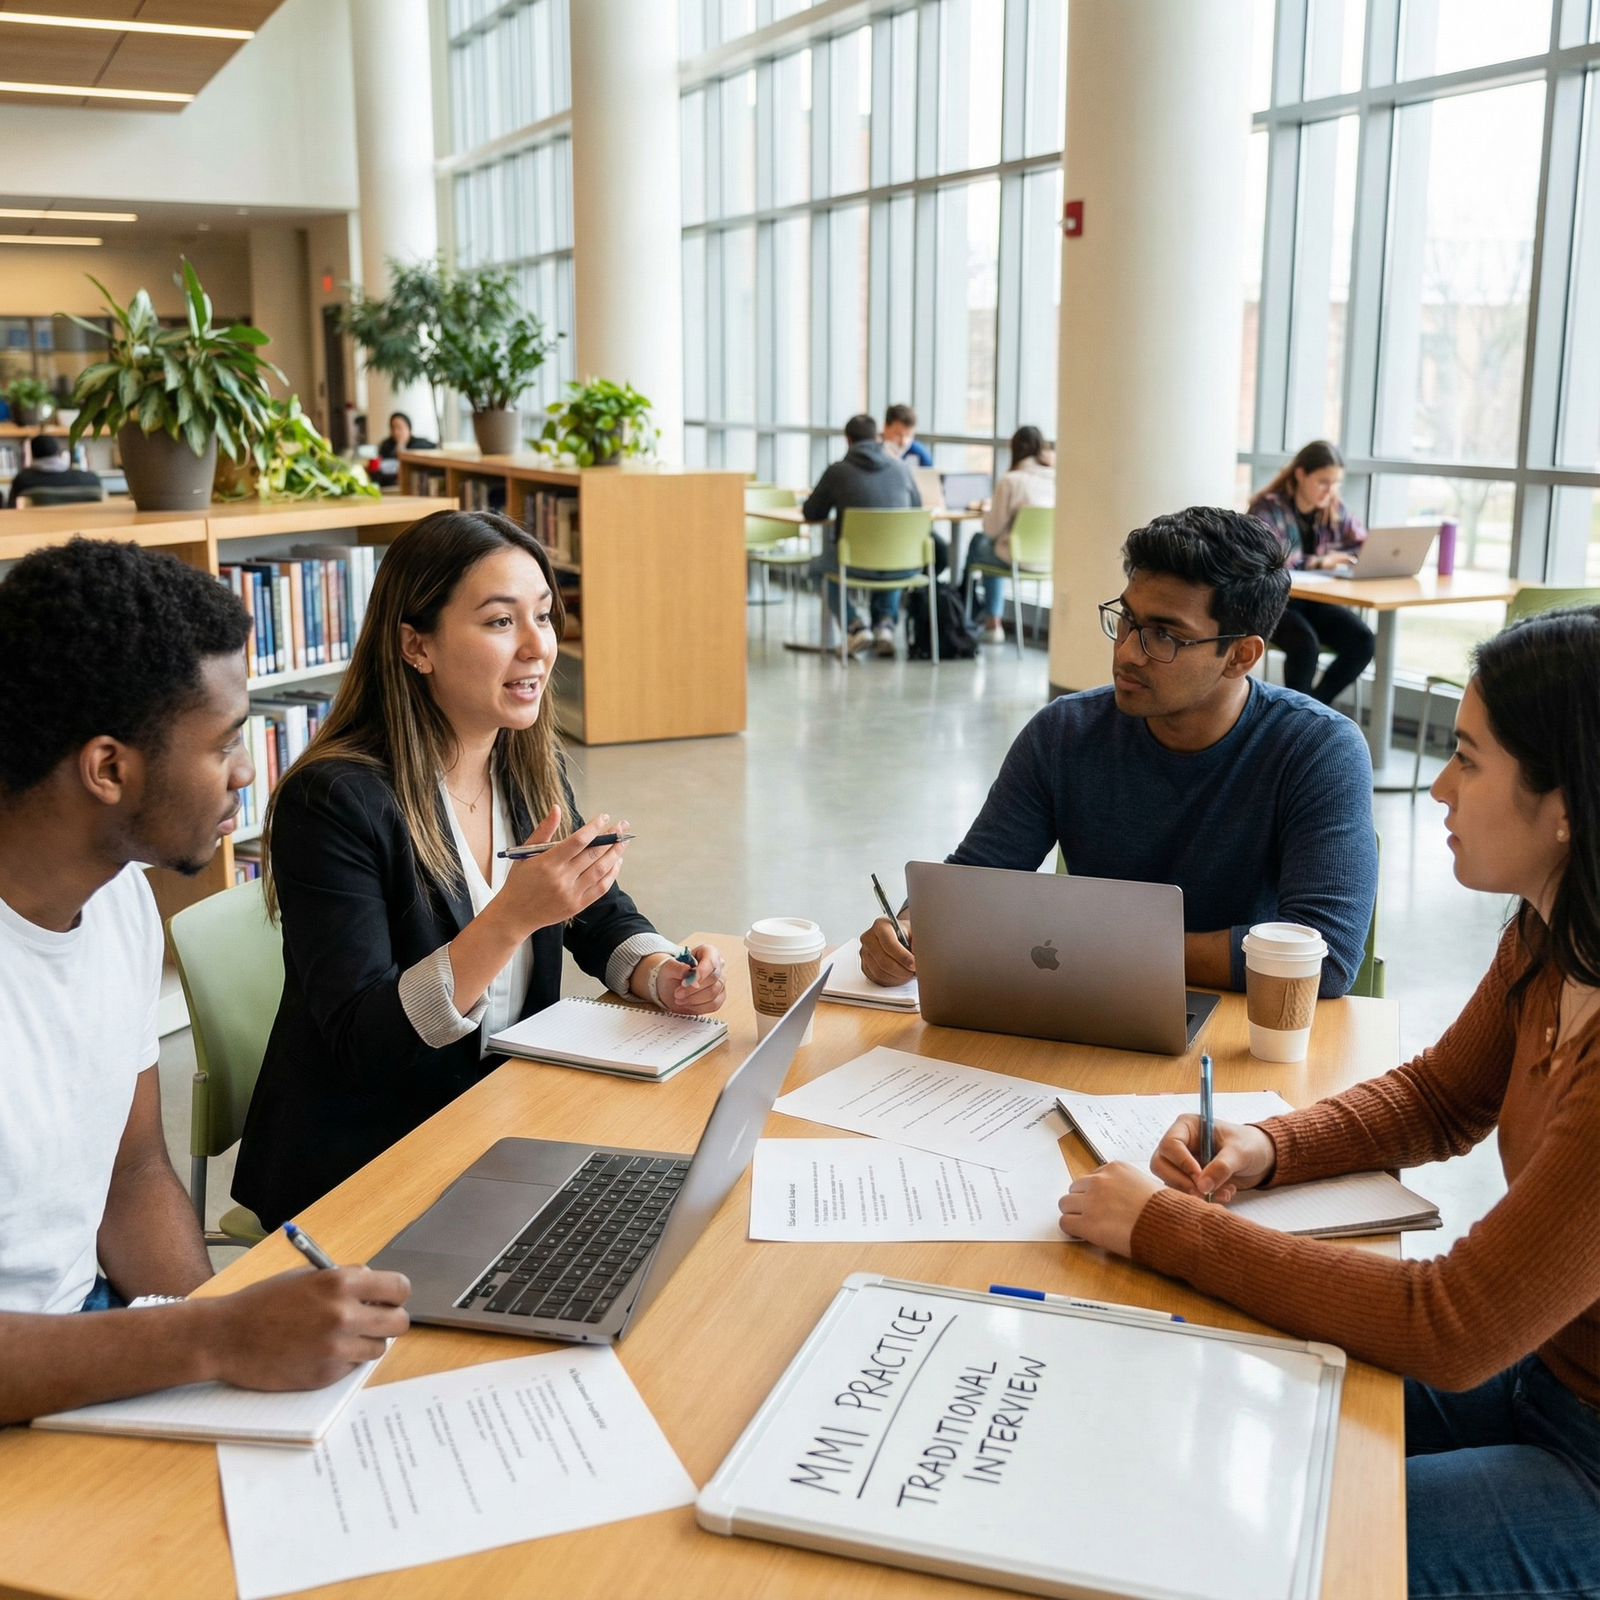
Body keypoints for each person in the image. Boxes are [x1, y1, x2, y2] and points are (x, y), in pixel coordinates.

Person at [1059, 605, 1600, 1598]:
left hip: (1585, 1455)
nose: (1436, 785)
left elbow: (1452, 1324)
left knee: (1264, 1555)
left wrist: (1162, 1226)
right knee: (1215, 1441)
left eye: (1467, 761)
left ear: (1563, 801)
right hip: (1543, 1379)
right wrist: (1268, 1144)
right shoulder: (1549, 935)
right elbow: (1441, 1095)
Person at [0, 538, 409, 1425]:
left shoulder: (118, 904)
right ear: (109, 769)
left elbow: (134, 1171)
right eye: (226, 742)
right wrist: (212, 1341)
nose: (249, 769)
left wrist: (215, 1367)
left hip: (97, 1344)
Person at [232, 510, 726, 1230]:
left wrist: (660, 973)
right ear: (416, 644)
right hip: (367, 1163)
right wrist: (512, 919)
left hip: (500, 1119)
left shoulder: (525, 763)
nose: (537, 648)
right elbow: (363, 1043)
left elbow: (595, 911)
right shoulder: (336, 800)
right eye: (500, 622)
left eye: (545, 618)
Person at [859, 506, 1377, 997]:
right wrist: (908, 929)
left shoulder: (1317, 749)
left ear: (1240, 655)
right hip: (1091, 1009)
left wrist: (1097, 948)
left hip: (1239, 1034)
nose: (1127, 652)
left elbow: (1323, 958)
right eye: (1127, 620)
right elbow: (973, 880)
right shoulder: (1064, 732)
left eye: (1164, 636)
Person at [1248, 440, 1375, 706]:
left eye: (1336, 483)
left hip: (1313, 601)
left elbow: (1362, 543)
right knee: (1305, 645)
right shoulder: (1267, 508)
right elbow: (1271, 558)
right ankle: (1302, 718)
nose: (1330, 491)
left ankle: (1311, 709)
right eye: (1323, 482)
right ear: (1300, 474)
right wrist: (1320, 562)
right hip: (1274, 603)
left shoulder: (1332, 508)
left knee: (1363, 641)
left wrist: (1369, 554)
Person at [802, 413, 925, 658]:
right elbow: (917, 507)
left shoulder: (837, 472)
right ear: (878, 436)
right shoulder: (902, 469)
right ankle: (885, 627)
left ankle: (855, 626)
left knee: (817, 568)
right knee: (889, 552)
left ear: (848, 440)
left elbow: (812, 511)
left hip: (855, 563)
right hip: (905, 564)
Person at [963, 425, 1055, 647]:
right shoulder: (1055, 478)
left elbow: (992, 530)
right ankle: (988, 619)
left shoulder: (1011, 480)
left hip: (1016, 558)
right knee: (992, 548)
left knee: (980, 543)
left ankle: (983, 618)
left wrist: (987, 512)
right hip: (1048, 559)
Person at [5, 433, 102, 508]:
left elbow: (10, 509)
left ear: (32, 454)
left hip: (36, 530)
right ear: (58, 453)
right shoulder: (91, 479)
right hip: (84, 531)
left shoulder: (22, 480)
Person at [373, 411, 437, 485]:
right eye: (393, 428)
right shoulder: (386, 446)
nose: (396, 432)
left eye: (399, 428)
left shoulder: (420, 444)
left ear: (408, 428)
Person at [881, 403, 933, 468]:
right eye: (898, 434)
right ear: (885, 428)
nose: (903, 442)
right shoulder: (873, 453)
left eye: (908, 435)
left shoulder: (920, 454)